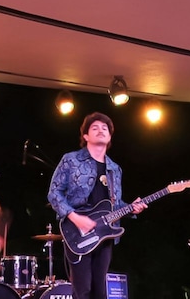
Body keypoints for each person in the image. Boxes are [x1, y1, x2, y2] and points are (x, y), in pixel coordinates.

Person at [47, 112, 146, 299]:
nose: (101, 130)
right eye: (95, 128)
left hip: (104, 234)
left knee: (100, 291)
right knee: (82, 290)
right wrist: (75, 217)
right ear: (85, 136)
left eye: (104, 128)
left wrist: (132, 208)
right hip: (77, 231)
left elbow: (114, 205)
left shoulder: (115, 169)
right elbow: (54, 193)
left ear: (110, 137)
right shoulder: (71, 160)